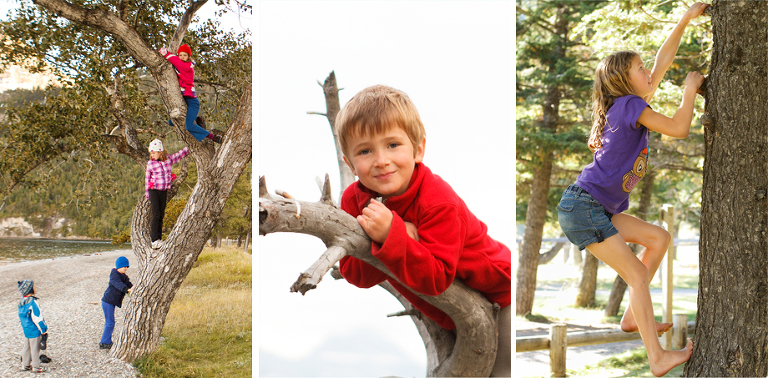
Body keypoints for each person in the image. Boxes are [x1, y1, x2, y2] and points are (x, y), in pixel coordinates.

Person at [556, 3, 708, 377]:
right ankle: (657, 358)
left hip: (595, 207)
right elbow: (679, 128)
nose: (648, 72)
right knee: (637, 276)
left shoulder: (627, 105)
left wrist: (684, 19)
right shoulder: (629, 106)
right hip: (584, 207)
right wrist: (690, 90)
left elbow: (662, 61)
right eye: (640, 69)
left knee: (658, 238)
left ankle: (630, 316)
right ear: (625, 83)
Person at [335, 84, 511, 376]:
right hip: (450, 313)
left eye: (393, 145)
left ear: (418, 149)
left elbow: (437, 278)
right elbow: (355, 273)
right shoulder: (354, 200)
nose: (381, 160)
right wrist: (393, 236)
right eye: (365, 151)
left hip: (499, 293)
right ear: (350, 164)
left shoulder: (438, 200)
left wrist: (392, 235)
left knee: (501, 374)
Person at [159, 44, 222, 144]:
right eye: (180, 55)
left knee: (189, 126)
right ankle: (197, 120)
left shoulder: (186, 67)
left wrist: (166, 53)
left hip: (192, 101)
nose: (182, 57)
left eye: (185, 55)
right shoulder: (182, 65)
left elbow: (175, 61)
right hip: (184, 100)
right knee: (171, 122)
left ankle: (213, 137)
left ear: (189, 56)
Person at [145, 139, 189, 249]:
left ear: (160, 152)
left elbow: (179, 155)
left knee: (161, 215)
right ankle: (154, 240)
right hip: (154, 190)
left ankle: (159, 239)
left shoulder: (168, 160)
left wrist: (189, 147)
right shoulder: (151, 163)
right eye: (151, 153)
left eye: (153, 153)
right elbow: (147, 178)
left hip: (163, 191)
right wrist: (147, 194)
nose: (152, 155)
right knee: (156, 214)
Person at [100, 256, 133, 349]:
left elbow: (129, 284)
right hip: (107, 301)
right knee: (110, 322)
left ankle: (106, 341)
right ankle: (104, 343)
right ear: (118, 266)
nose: (126, 268)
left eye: (127, 267)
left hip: (112, 302)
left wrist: (134, 288)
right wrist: (126, 289)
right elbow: (118, 284)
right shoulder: (114, 275)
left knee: (110, 322)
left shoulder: (124, 277)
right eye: (124, 267)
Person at [17, 279, 48, 373]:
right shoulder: (33, 302)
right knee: (35, 348)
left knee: (26, 347)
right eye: (33, 286)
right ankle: (36, 367)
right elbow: (37, 317)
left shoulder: (22, 302)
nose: (35, 287)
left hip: (26, 329)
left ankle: (25, 365)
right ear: (30, 289)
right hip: (34, 330)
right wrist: (43, 329)